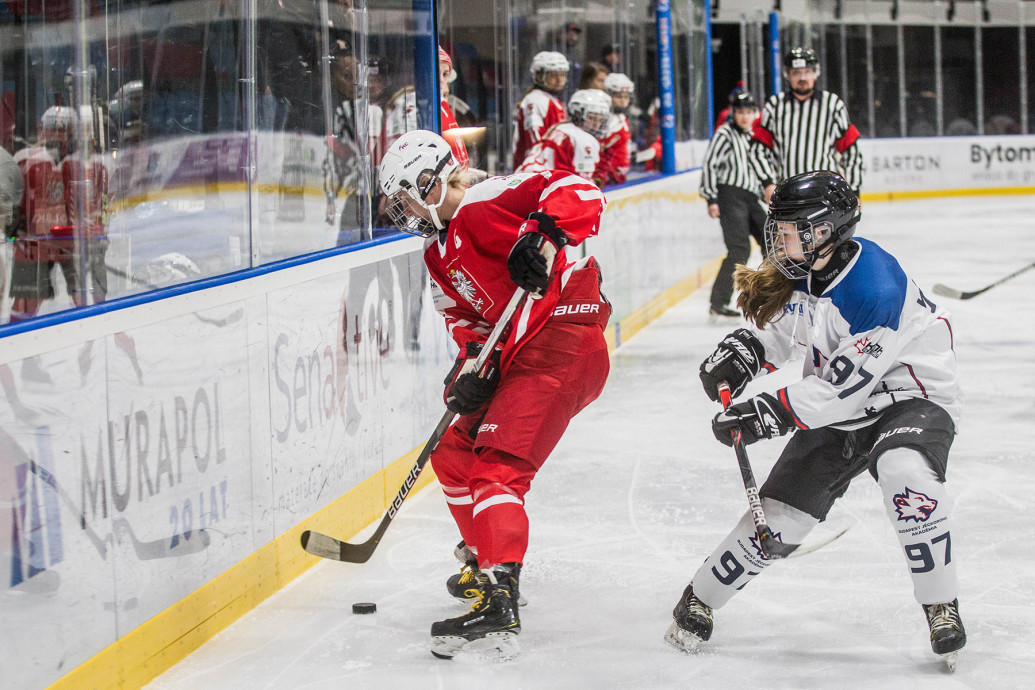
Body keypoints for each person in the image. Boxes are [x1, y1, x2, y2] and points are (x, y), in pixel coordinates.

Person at [664, 171, 966, 669]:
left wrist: (764, 413)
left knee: (905, 472)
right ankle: (701, 598)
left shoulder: (875, 287)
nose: (777, 239)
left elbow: (841, 390)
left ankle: (941, 604)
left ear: (823, 231)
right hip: (840, 405)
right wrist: (745, 353)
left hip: (908, 398)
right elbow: (788, 332)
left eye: (788, 230)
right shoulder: (809, 267)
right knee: (780, 517)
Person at [378, 129, 611, 660]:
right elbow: (467, 325)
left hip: (562, 337)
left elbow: (581, 190)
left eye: (406, 197)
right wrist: (469, 370)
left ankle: (500, 595)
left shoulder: (488, 198)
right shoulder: (436, 255)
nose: (404, 211)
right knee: (453, 448)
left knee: (497, 469)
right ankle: (483, 558)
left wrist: (543, 232)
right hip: (518, 354)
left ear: (430, 182)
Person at [749, 47, 863, 203]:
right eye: (796, 73)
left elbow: (852, 151)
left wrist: (854, 190)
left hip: (826, 193)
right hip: (787, 193)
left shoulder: (832, 105)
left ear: (816, 73)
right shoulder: (774, 106)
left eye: (807, 72)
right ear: (787, 75)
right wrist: (767, 183)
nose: (802, 78)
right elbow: (758, 150)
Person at [699, 90, 765, 320]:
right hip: (730, 196)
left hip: (750, 196)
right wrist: (711, 198)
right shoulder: (725, 134)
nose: (745, 117)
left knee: (773, 240)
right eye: (741, 112)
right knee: (739, 249)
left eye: (749, 112)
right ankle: (718, 303)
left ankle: (774, 292)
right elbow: (710, 165)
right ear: (733, 113)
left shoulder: (752, 136)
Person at [517, 89, 611, 186]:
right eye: (592, 118)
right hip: (537, 186)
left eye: (600, 119)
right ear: (577, 115)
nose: (596, 124)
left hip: (524, 181)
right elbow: (583, 185)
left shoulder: (560, 127)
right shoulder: (583, 139)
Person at [511, 51, 569, 171]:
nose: (559, 80)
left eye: (562, 75)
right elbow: (534, 144)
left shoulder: (553, 101)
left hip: (549, 168)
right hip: (534, 171)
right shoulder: (535, 101)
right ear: (538, 76)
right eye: (553, 75)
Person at [598, 73, 634, 186]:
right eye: (618, 97)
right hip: (606, 179)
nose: (623, 101)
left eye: (626, 97)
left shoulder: (622, 117)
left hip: (618, 178)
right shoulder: (603, 120)